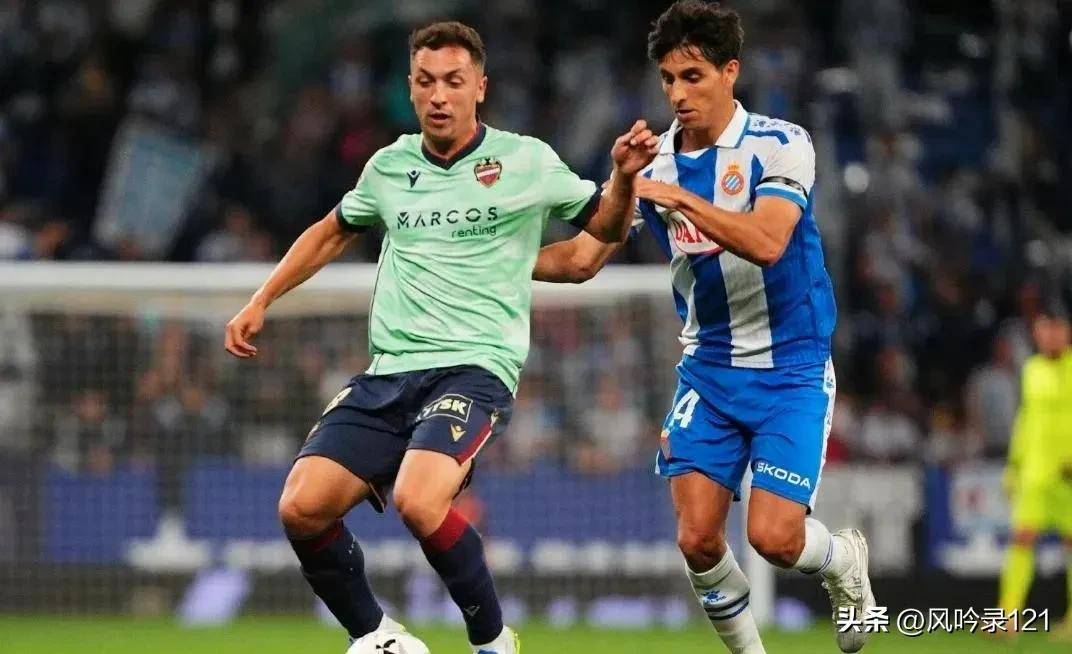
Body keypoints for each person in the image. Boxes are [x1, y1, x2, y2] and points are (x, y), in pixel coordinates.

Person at [224, 20, 657, 654]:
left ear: (480, 87)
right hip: (388, 372)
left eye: (454, 81)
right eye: (426, 82)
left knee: (419, 500)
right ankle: (378, 637)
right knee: (301, 506)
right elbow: (331, 230)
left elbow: (605, 232)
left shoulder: (526, 161)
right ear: (410, 87)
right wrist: (261, 299)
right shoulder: (389, 167)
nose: (438, 95)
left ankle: (492, 641)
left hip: (474, 369)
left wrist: (622, 180)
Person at [533, 2, 874, 652]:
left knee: (774, 538)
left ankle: (843, 560)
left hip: (790, 370)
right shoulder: (654, 163)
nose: (677, 94)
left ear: (730, 71)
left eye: (692, 76)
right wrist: (497, 263)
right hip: (709, 371)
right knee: (696, 538)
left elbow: (768, 242)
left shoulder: (781, 144)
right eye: (668, 79)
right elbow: (582, 259)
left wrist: (685, 200)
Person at [998, 306, 1072, 638]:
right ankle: (1007, 617)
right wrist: (1013, 466)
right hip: (1035, 472)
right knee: (1022, 539)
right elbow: (1026, 420)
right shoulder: (1031, 369)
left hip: (1068, 475)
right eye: (1044, 330)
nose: (1050, 336)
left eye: (1056, 329)